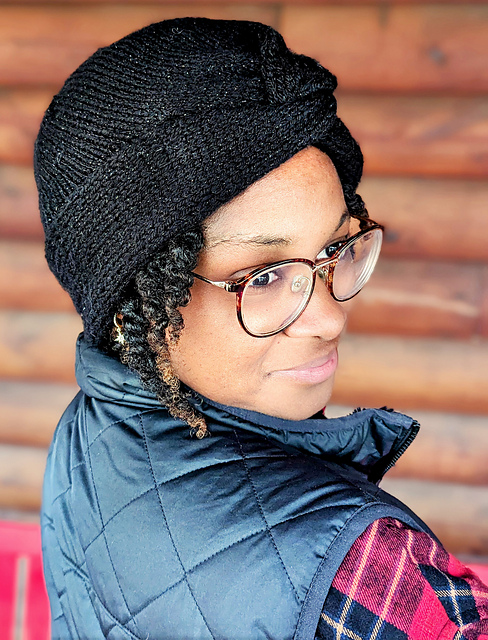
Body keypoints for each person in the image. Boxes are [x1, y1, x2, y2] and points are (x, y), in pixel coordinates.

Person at [34, 17, 488, 640]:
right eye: (266, 276)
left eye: (335, 250)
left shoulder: (88, 434)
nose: (328, 317)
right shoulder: (366, 576)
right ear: (135, 302)